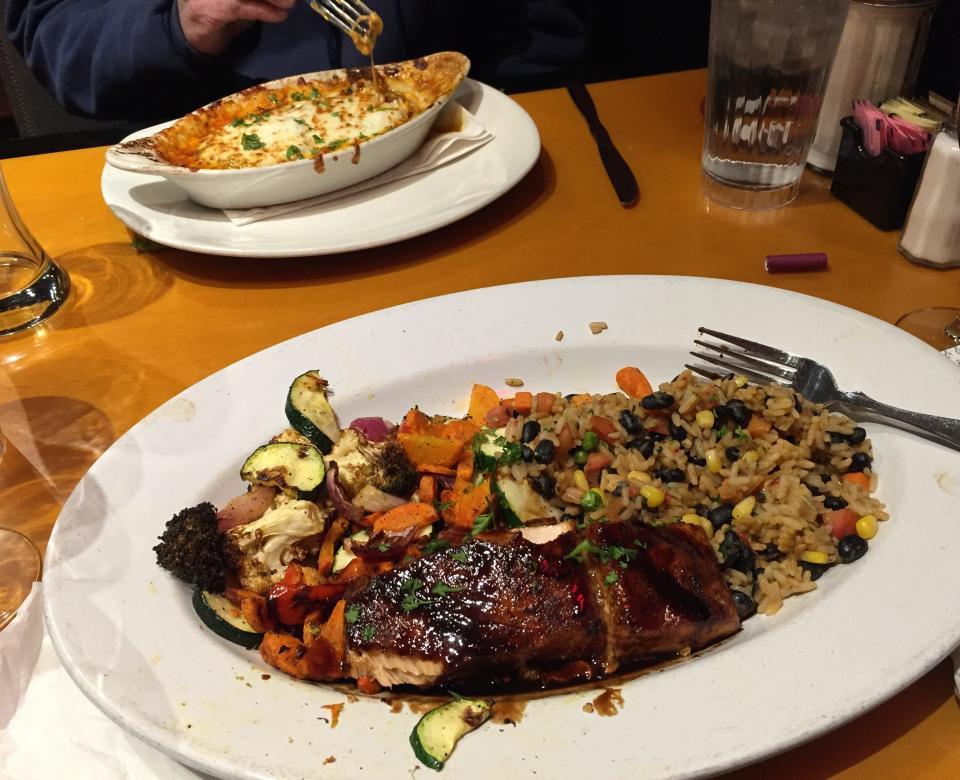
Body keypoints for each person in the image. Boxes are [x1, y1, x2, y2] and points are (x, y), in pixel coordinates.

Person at [6, 0, 587, 123]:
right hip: (212, 171)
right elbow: (58, 35)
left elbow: (539, 27)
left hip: (452, 134)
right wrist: (187, 21)